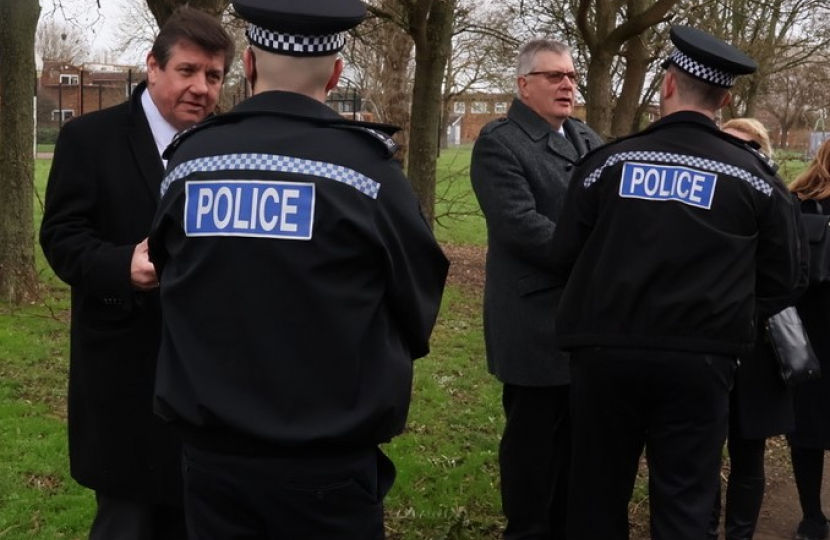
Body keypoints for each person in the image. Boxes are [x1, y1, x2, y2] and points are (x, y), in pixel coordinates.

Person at [146, 0, 449, 538]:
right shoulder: (367, 172)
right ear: (335, 74)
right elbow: (417, 296)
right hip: (326, 462)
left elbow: (169, 273)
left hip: (212, 460)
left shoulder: (189, 163)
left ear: (250, 64)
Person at [548, 26, 802, 540]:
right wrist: (728, 313)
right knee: (686, 501)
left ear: (666, 86)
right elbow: (784, 279)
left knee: (595, 495)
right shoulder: (757, 179)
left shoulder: (606, 165)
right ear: (725, 98)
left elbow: (563, 256)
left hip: (605, 354)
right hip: (700, 361)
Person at [39, 8, 234, 540]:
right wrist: (121, 265)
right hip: (125, 372)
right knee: (128, 520)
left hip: (208, 379)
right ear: (153, 67)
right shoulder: (89, 138)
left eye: (213, 76)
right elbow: (60, 237)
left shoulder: (226, 148)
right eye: (188, 71)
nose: (201, 88)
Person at [470, 38, 603, 540]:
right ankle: (526, 528)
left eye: (571, 76)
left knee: (578, 438)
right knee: (533, 440)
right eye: (554, 76)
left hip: (585, 316)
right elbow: (519, 225)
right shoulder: (499, 142)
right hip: (533, 318)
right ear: (524, 86)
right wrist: (598, 257)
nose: (567, 84)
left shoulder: (587, 138)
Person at [707, 118, 800, 540]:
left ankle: (740, 534)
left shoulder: (777, 198)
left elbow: (789, 274)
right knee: (702, 451)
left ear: (762, 153)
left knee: (749, 450)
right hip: (706, 340)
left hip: (756, 341)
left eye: (746, 148)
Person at [788, 138, 830, 540]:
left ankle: (812, 518)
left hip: (808, 334)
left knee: (807, 428)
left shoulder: (797, 202)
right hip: (814, 330)